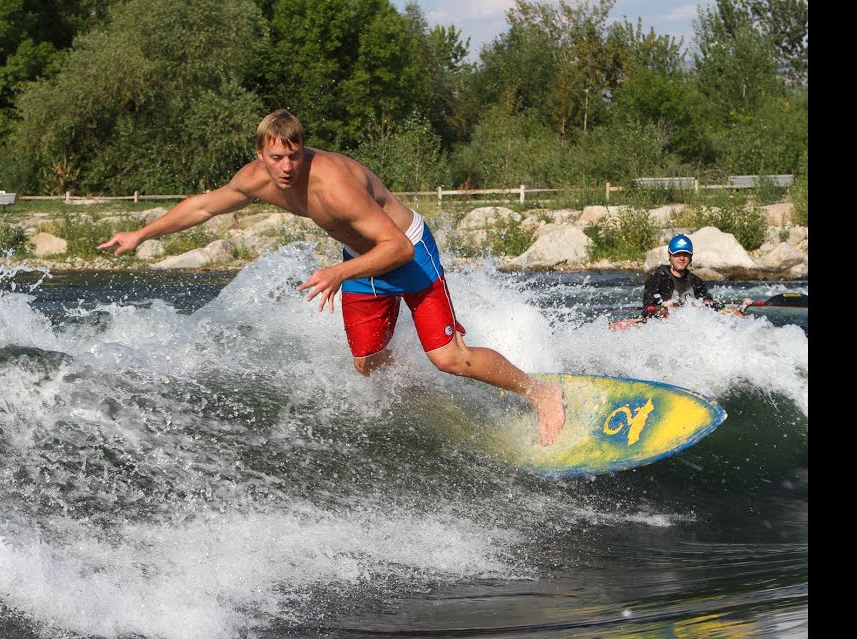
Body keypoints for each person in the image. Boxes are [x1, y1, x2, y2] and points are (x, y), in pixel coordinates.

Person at [97, 110, 565, 445]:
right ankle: (437, 404)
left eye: (293, 156)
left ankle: (540, 392)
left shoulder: (335, 185)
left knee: (449, 358)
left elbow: (397, 248)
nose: (286, 168)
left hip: (406, 253)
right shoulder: (254, 179)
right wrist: (141, 233)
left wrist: (338, 272)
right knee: (368, 364)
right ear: (260, 154)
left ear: (303, 150)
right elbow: (202, 207)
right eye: (276, 158)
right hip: (360, 261)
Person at [638, 234, 752, 320]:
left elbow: (711, 307)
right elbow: (647, 310)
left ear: (691, 256)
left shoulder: (696, 282)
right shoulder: (657, 278)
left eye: (685, 254)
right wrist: (661, 309)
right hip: (664, 325)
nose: (681, 258)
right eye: (677, 254)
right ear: (669, 255)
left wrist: (737, 309)